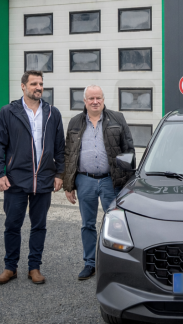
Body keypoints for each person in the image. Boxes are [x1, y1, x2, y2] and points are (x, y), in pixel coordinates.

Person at [0, 71, 65, 285]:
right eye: (33, 84)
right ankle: (10, 267)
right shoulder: (8, 112)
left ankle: (34, 267)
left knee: (39, 226)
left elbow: (60, 146)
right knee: (12, 225)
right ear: (23, 86)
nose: (38, 87)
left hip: (44, 179)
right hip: (16, 179)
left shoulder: (52, 113)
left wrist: (59, 173)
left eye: (40, 83)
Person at [63, 85, 135, 280]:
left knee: (117, 224)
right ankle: (90, 263)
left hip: (110, 181)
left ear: (103, 99)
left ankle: (116, 264)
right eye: (91, 98)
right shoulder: (75, 122)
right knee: (87, 224)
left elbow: (128, 150)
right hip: (85, 180)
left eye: (98, 98)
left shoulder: (117, 119)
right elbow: (69, 153)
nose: (95, 102)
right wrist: (68, 185)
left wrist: (127, 183)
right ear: (85, 101)